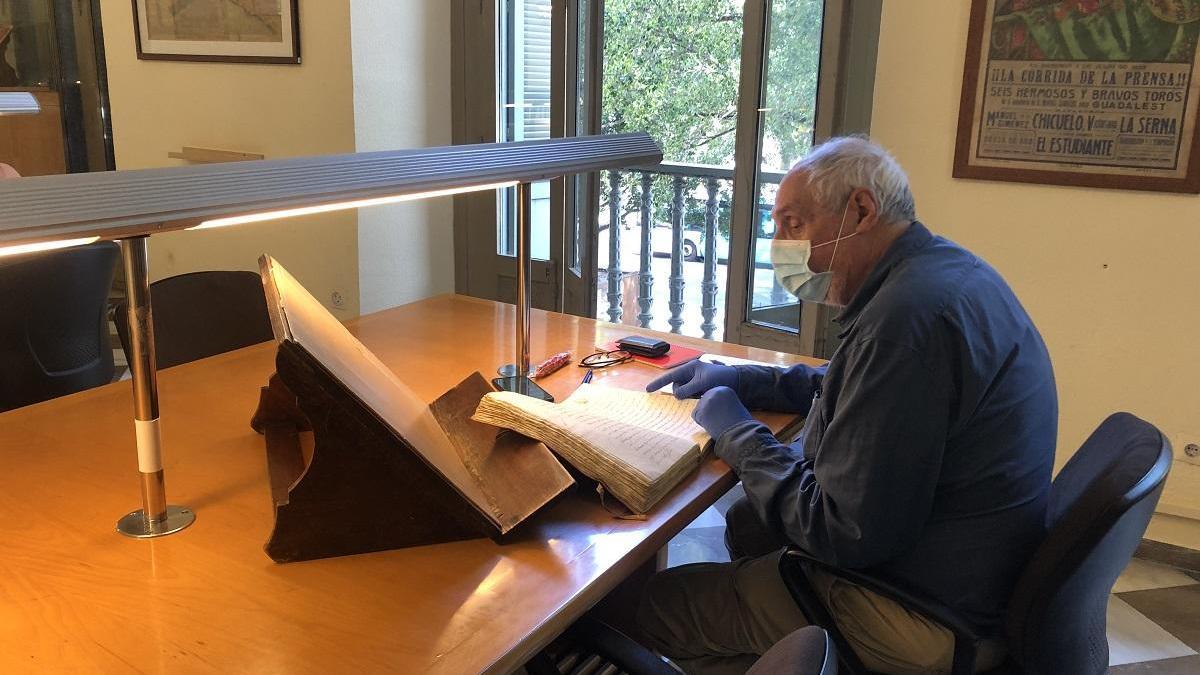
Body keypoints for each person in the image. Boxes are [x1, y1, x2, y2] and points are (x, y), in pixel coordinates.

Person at [637, 136, 1056, 674]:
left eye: (794, 223)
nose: (780, 243)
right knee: (748, 519)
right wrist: (746, 379)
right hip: (965, 573)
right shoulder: (941, 275)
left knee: (654, 605)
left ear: (860, 210)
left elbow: (837, 532)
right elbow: (852, 385)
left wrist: (736, 431)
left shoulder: (905, 324)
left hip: (921, 614)